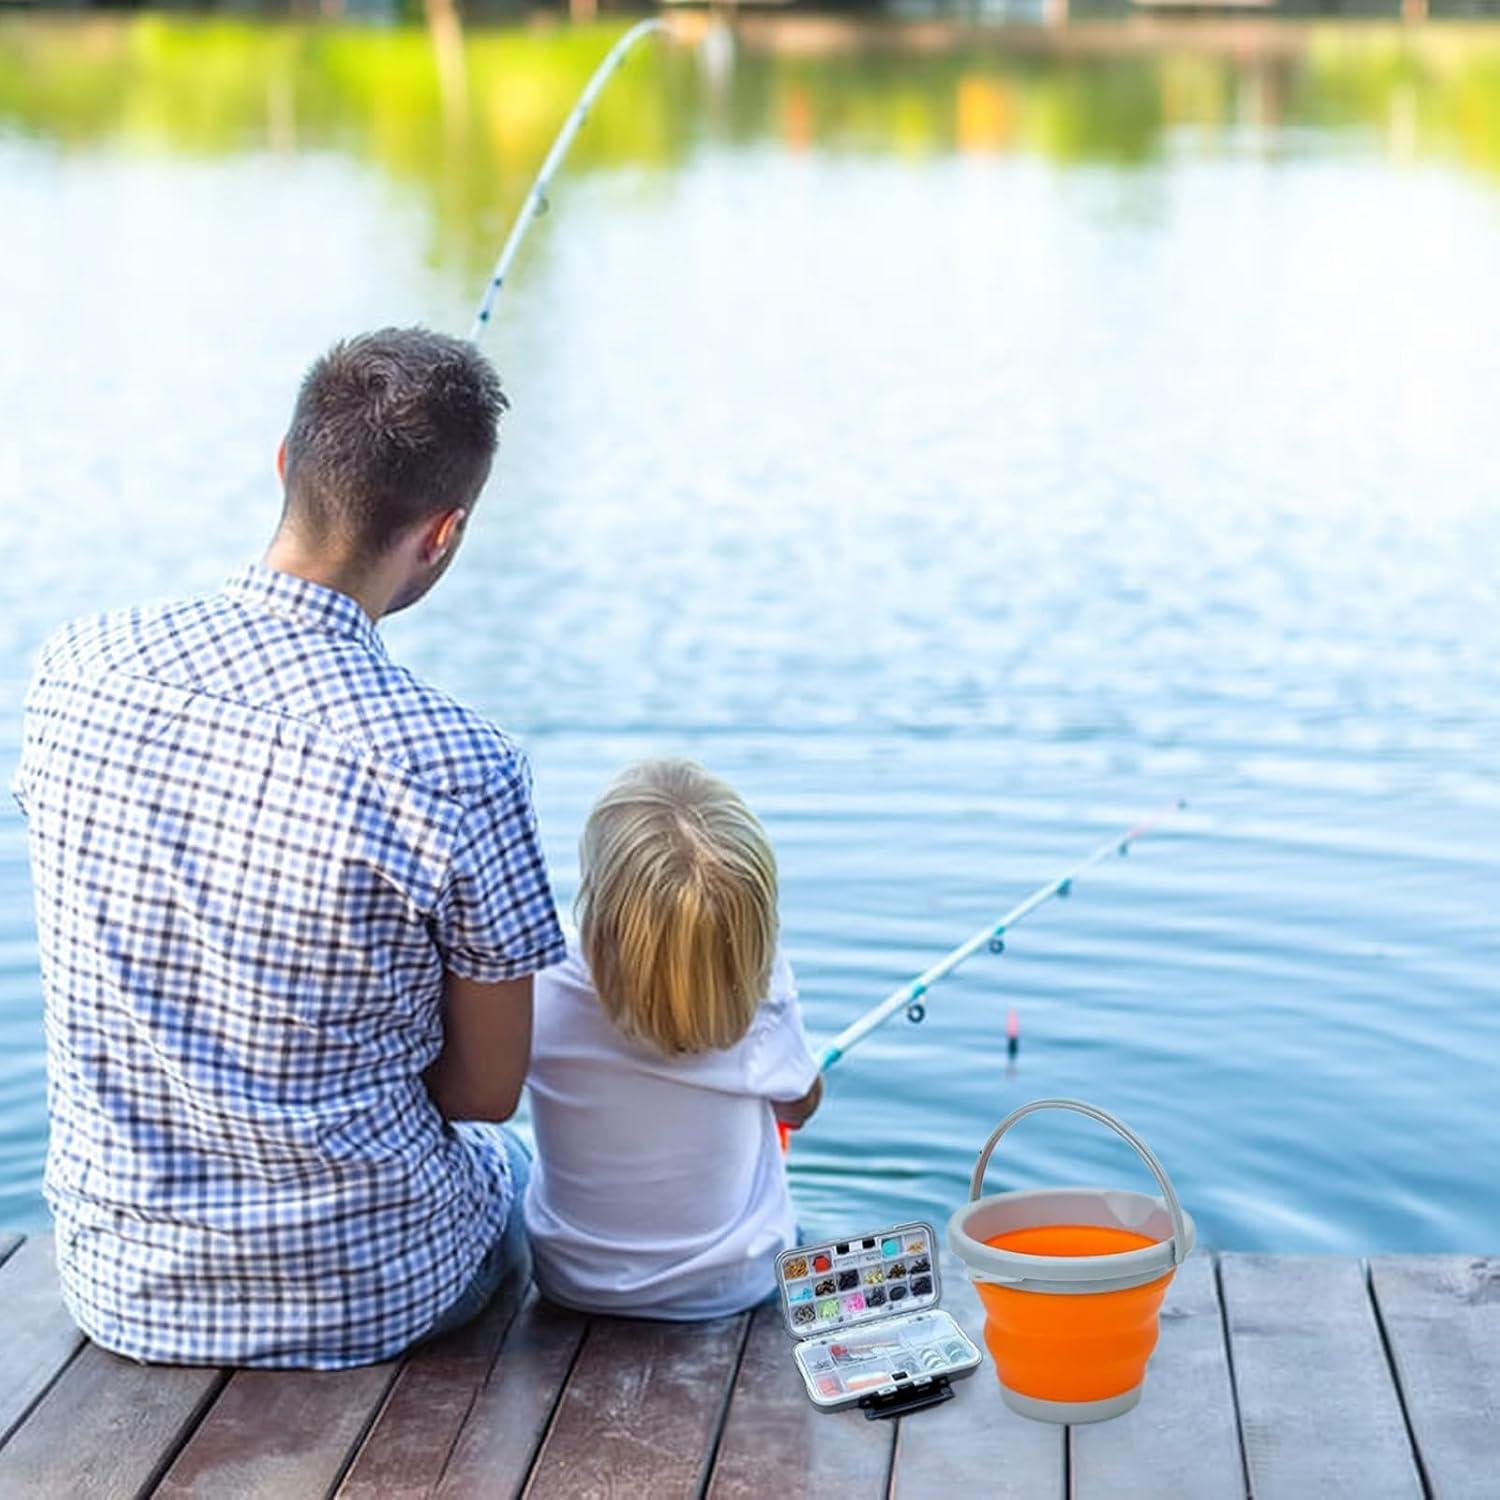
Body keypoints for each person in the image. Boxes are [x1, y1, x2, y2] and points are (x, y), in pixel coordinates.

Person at [13, 327, 564, 1368]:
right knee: (523, 1165)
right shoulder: (460, 765)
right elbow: (485, 1093)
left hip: (124, 1285)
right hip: (373, 1293)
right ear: (443, 533)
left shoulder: (69, 673)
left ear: (283, 463)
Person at [524, 759, 822, 1319]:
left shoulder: (542, 979)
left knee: (512, 1160)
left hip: (572, 1282)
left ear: (597, 895)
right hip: (735, 1287)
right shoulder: (763, 987)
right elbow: (799, 1106)